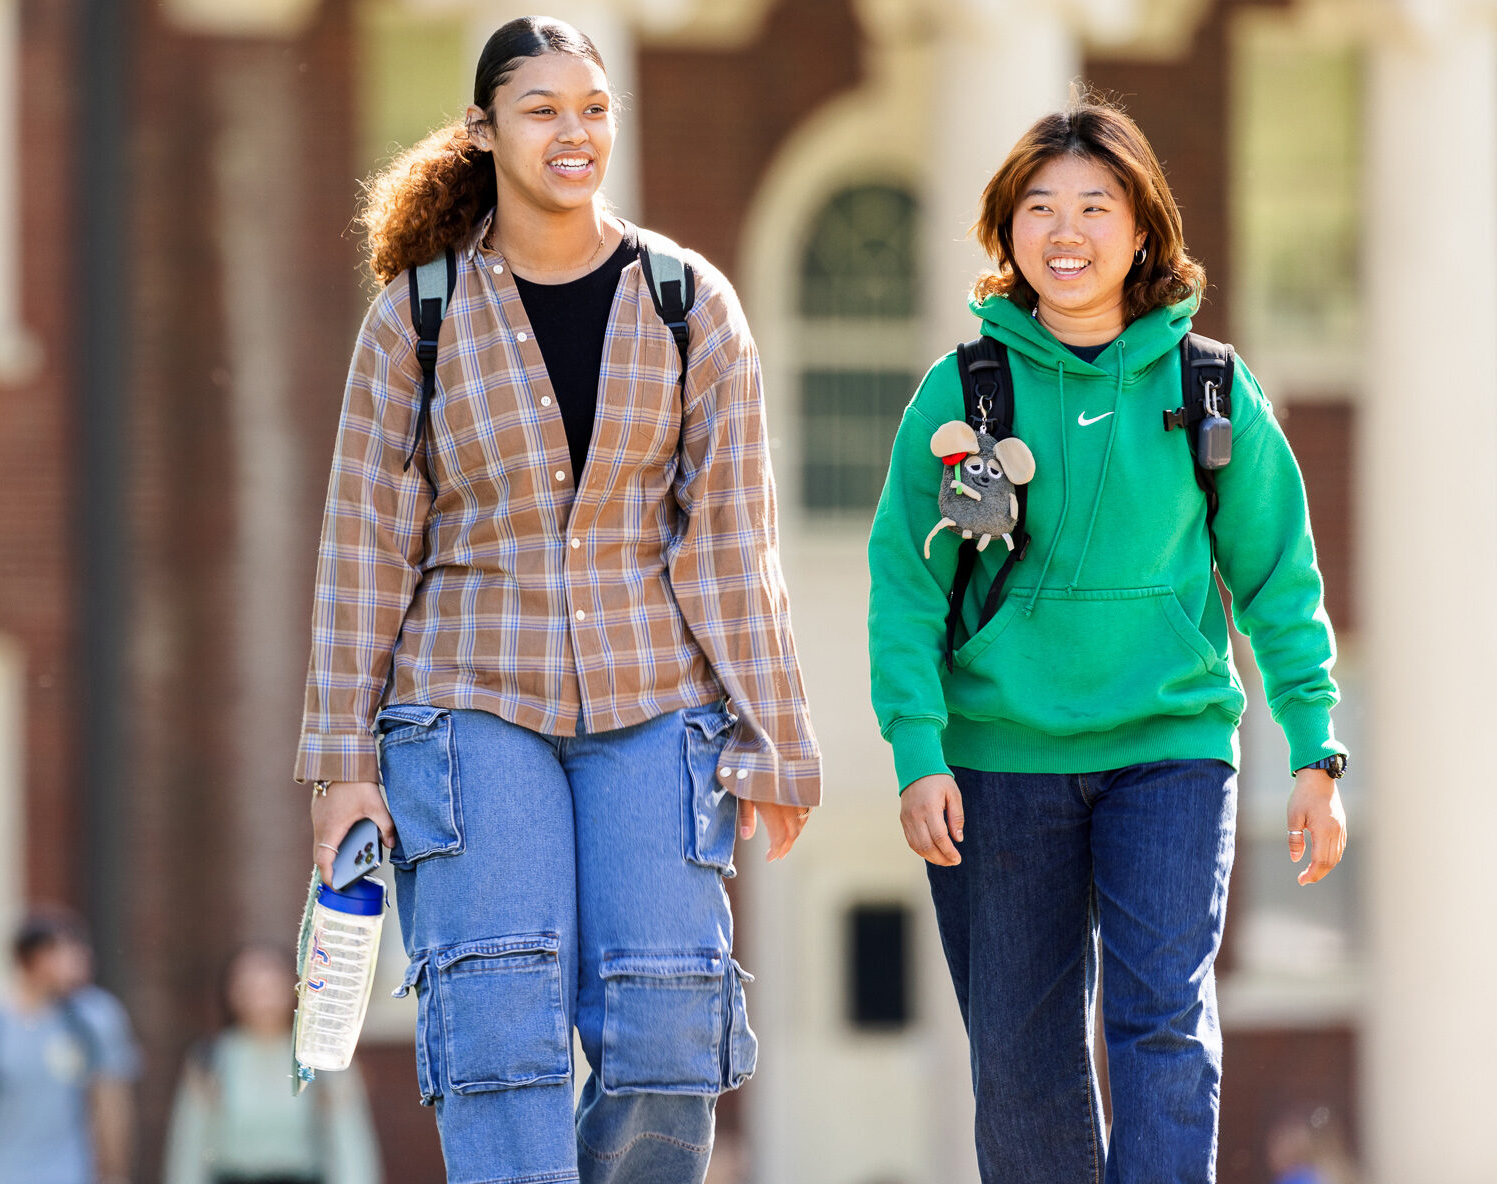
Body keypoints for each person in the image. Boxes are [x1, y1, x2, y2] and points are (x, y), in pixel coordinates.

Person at [295, 15, 820, 1184]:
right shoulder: (415, 321)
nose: (571, 133)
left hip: (651, 701)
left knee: (669, 1030)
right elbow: (362, 551)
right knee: (496, 1019)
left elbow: (733, 539)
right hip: (465, 700)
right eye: (540, 110)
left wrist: (777, 732)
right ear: (483, 131)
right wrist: (343, 762)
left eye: (591, 109)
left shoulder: (690, 303)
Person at [867, 98, 1349, 1183]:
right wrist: (917, 749)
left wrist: (1314, 749)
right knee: (1022, 1058)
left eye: (1094, 204)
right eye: (1037, 207)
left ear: (1142, 229)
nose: (1065, 229)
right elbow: (903, 586)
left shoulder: (1209, 386)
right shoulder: (962, 392)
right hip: (997, 761)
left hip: (1168, 747)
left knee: (1162, 1022)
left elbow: (1277, 579)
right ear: (1005, 231)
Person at [0, 907, 141, 1184]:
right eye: (68, 950)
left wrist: (115, 1174)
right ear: (32, 959)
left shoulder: (93, 1020)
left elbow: (111, 1108)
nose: (84, 959)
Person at [164, 944, 382, 1184]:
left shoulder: (322, 1058)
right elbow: (188, 1150)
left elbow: (351, 1146)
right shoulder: (210, 1059)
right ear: (230, 991)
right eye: (250, 986)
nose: (261, 996)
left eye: (271, 985)